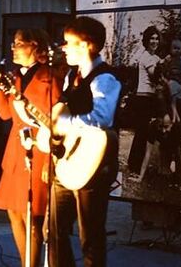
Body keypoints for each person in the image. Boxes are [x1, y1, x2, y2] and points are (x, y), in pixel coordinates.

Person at [49, 16, 121, 267]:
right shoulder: (72, 76)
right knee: (54, 229)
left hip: (94, 164)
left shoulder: (105, 78)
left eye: (70, 42)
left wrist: (65, 124)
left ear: (88, 45)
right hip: (69, 159)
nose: (64, 47)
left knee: (89, 235)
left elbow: (102, 117)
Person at [0, 28, 62, 267]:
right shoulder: (14, 78)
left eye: (19, 43)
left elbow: (56, 120)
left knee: (33, 218)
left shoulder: (51, 77)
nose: (13, 48)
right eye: (13, 43)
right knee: (14, 213)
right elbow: (5, 114)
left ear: (35, 46)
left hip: (40, 151)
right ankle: (25, 263)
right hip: (16, 151)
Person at [127, 26, 164, 175]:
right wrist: (164, 65)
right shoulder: (146, 57)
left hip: (151, 97)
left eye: (156, 38)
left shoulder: (155, 58)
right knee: (141, 132)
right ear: (146, 41)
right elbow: (155, 75)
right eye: (151, 39)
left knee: (148, 132)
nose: (154, 41)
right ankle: (134, 165)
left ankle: (140, 164)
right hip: (143, 98)